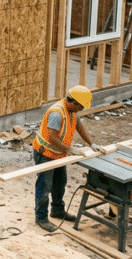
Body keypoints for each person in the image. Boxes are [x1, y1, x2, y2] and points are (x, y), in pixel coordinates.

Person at [32, 85, 103, 233]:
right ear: (73, 103)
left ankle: (57, 210)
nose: (82, 110)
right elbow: (52, 138)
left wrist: (92, 144)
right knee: (44, 187)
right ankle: (41, 217)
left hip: (58, 154)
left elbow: (80, 127)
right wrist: (70, 149)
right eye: (81, 106)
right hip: (45, 153)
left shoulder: (72, 111)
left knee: (60, 183)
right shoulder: (57, 113)